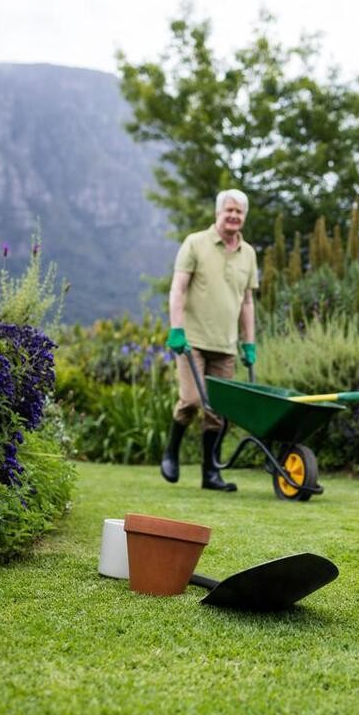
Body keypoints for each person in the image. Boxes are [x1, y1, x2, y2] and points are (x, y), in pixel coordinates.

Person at [161, 189, 258, 492]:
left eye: (239, 212)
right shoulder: (195, 243)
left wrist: (249, 342)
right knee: (191, 401)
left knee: (218, 412)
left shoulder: (249, 254)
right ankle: (171, 453)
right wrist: (176, 329)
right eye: (229, 210)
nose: (233, 216)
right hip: (191, 341)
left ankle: (210, 474)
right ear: (218, 212)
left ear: (244, 216)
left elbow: (247, 302)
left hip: (226, 345)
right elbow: (177, 289)